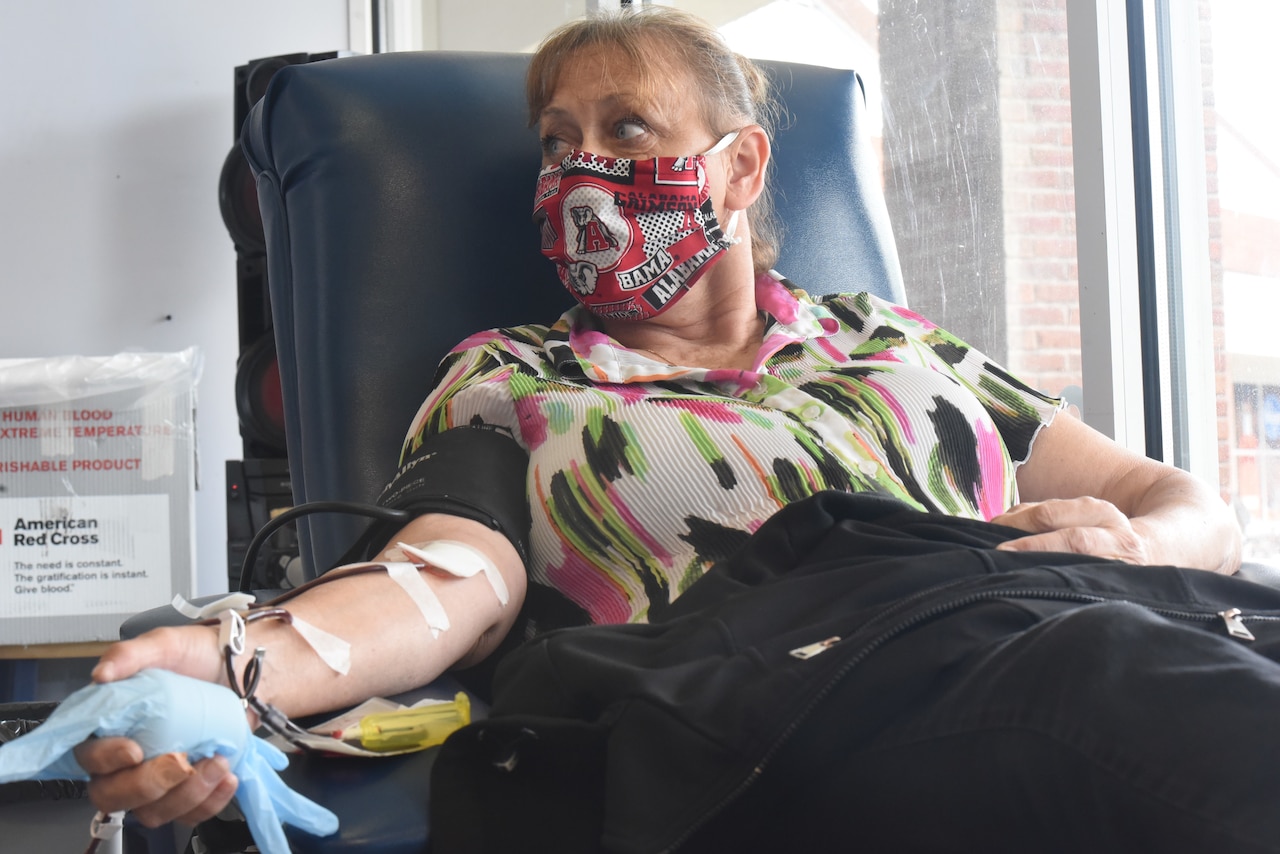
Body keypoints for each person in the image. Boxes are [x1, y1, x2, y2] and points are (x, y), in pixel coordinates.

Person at [74, 4, 1244, 840]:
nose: (580, 164)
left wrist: (1136, 548)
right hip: (788, 707)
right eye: (555, 140)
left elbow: (1187, 505)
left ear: (739, 171)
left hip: (1055, 626)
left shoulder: (896, 345)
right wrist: (235, 662)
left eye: (627, 128)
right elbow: (444, 578)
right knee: (1112, 676)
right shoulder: (520, 379)